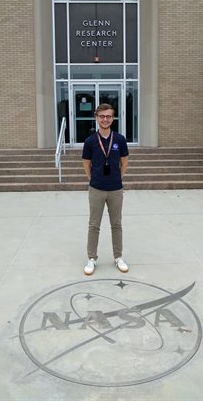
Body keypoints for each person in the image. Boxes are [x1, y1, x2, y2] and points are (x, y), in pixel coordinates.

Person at [82, 103, 129, 275]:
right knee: (94, 225)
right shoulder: (90, 141)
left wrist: (119, 177)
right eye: (102, 116)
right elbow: (86, 163)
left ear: (113, 118)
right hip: (96, 189)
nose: (105, 119)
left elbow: (124, 161)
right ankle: (91, 259)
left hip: (116, 189)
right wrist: (92, 178)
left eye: (108, 116)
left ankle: (118, 257)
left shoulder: (120, 139)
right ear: (96, 117)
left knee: (116, 224)